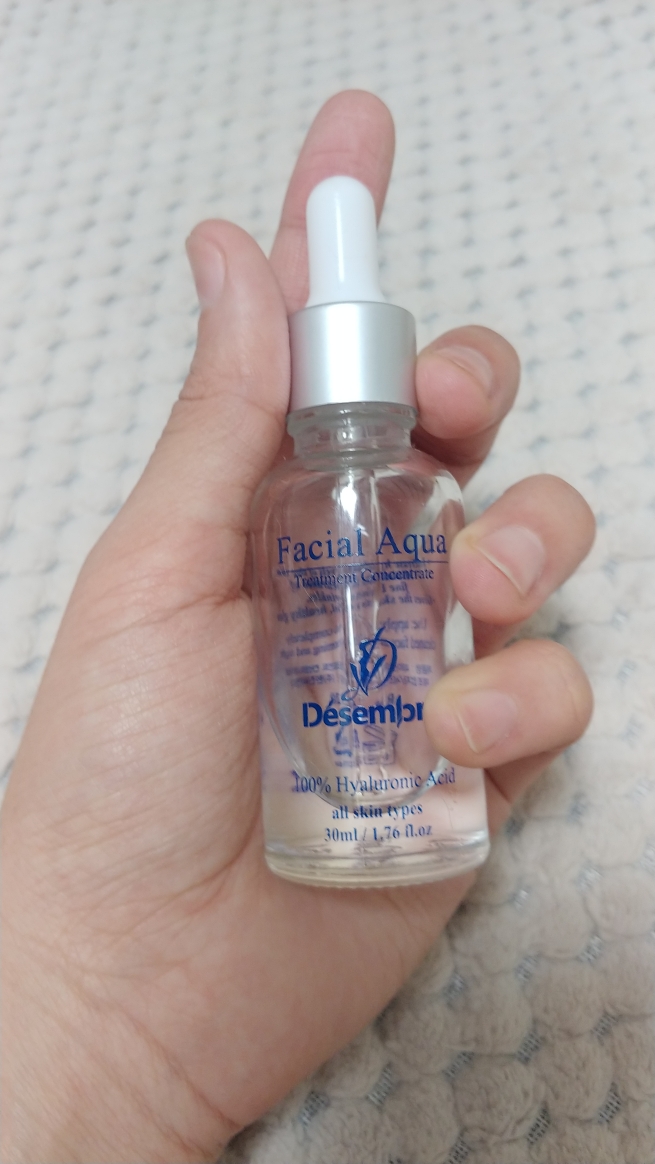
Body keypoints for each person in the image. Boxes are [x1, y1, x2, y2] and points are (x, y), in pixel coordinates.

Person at [0, 91, 594, 1163]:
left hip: (410, 821)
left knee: (482, 582)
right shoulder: (280, 499)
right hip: (293, 836)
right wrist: (82, 1020)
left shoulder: (424, 488)